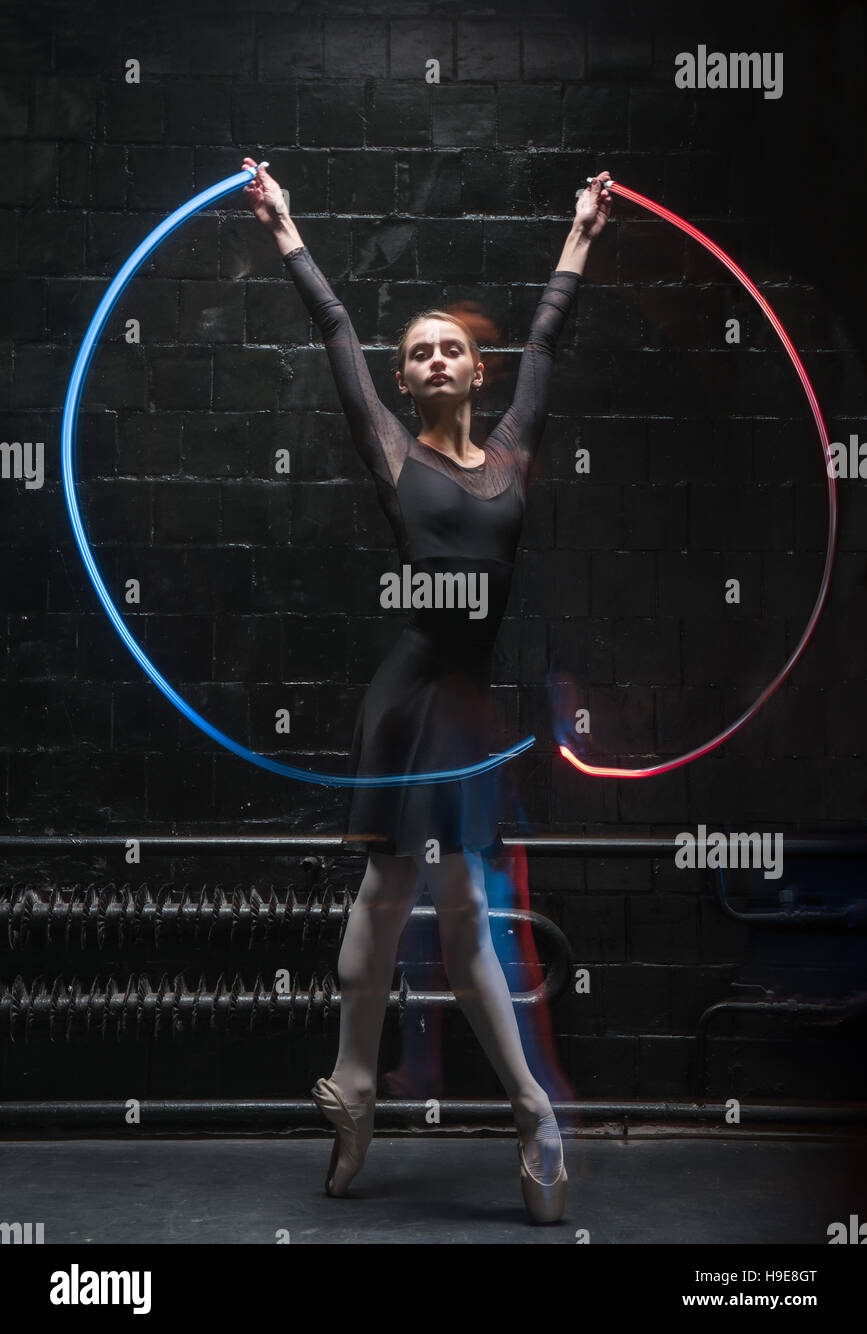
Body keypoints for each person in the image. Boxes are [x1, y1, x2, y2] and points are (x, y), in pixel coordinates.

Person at [242, 156, 611, 1222]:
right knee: (385, 894)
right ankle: (354, 1090)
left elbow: (545, 340)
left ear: (474, 371)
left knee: (463, 920)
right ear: (403, 382)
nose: (438, 360)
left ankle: (534, 1115)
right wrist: (286, 228)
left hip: (469, 708)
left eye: (452, 347)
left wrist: (581, 233)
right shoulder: (393, 453)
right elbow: (330, 331)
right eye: (418, 355)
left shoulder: (510, 456)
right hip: (404, 701)